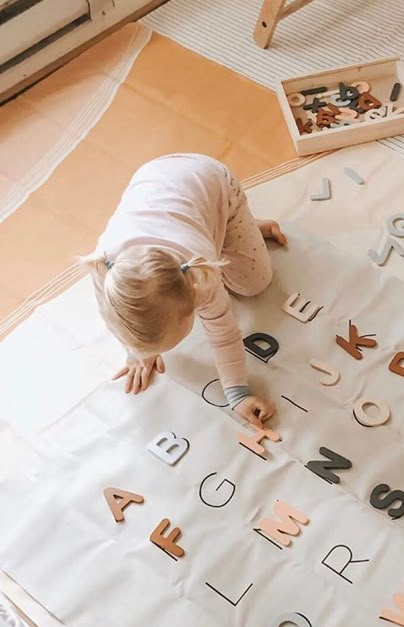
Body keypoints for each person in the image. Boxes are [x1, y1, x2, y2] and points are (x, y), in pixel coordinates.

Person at [84, 153, 286, 428]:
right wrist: (136, 352)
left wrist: (237, 394)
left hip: (212, 184)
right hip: (156, 180)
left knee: (255, 284)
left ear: (193, 299)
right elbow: (116, 320)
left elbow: (224, 335)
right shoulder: (104, 266)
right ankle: (234, 232)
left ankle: (238, 222)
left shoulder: (201, 277)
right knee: (236, 264)